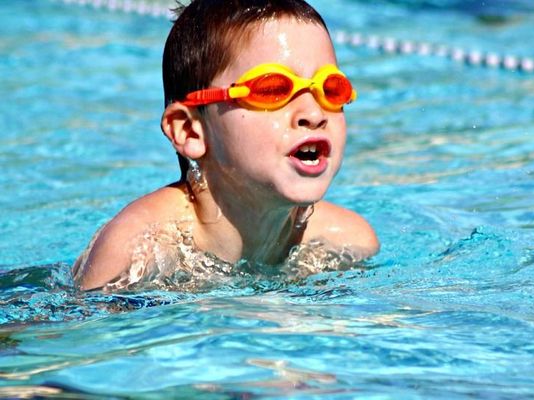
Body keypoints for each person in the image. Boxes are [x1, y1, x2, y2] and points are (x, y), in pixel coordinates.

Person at [73, 0, 379, 291]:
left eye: (331, 89)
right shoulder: (139, 248)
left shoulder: (348, 242)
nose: (313, 114)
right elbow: (78, 338)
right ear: (190, 131)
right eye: (272, 88)